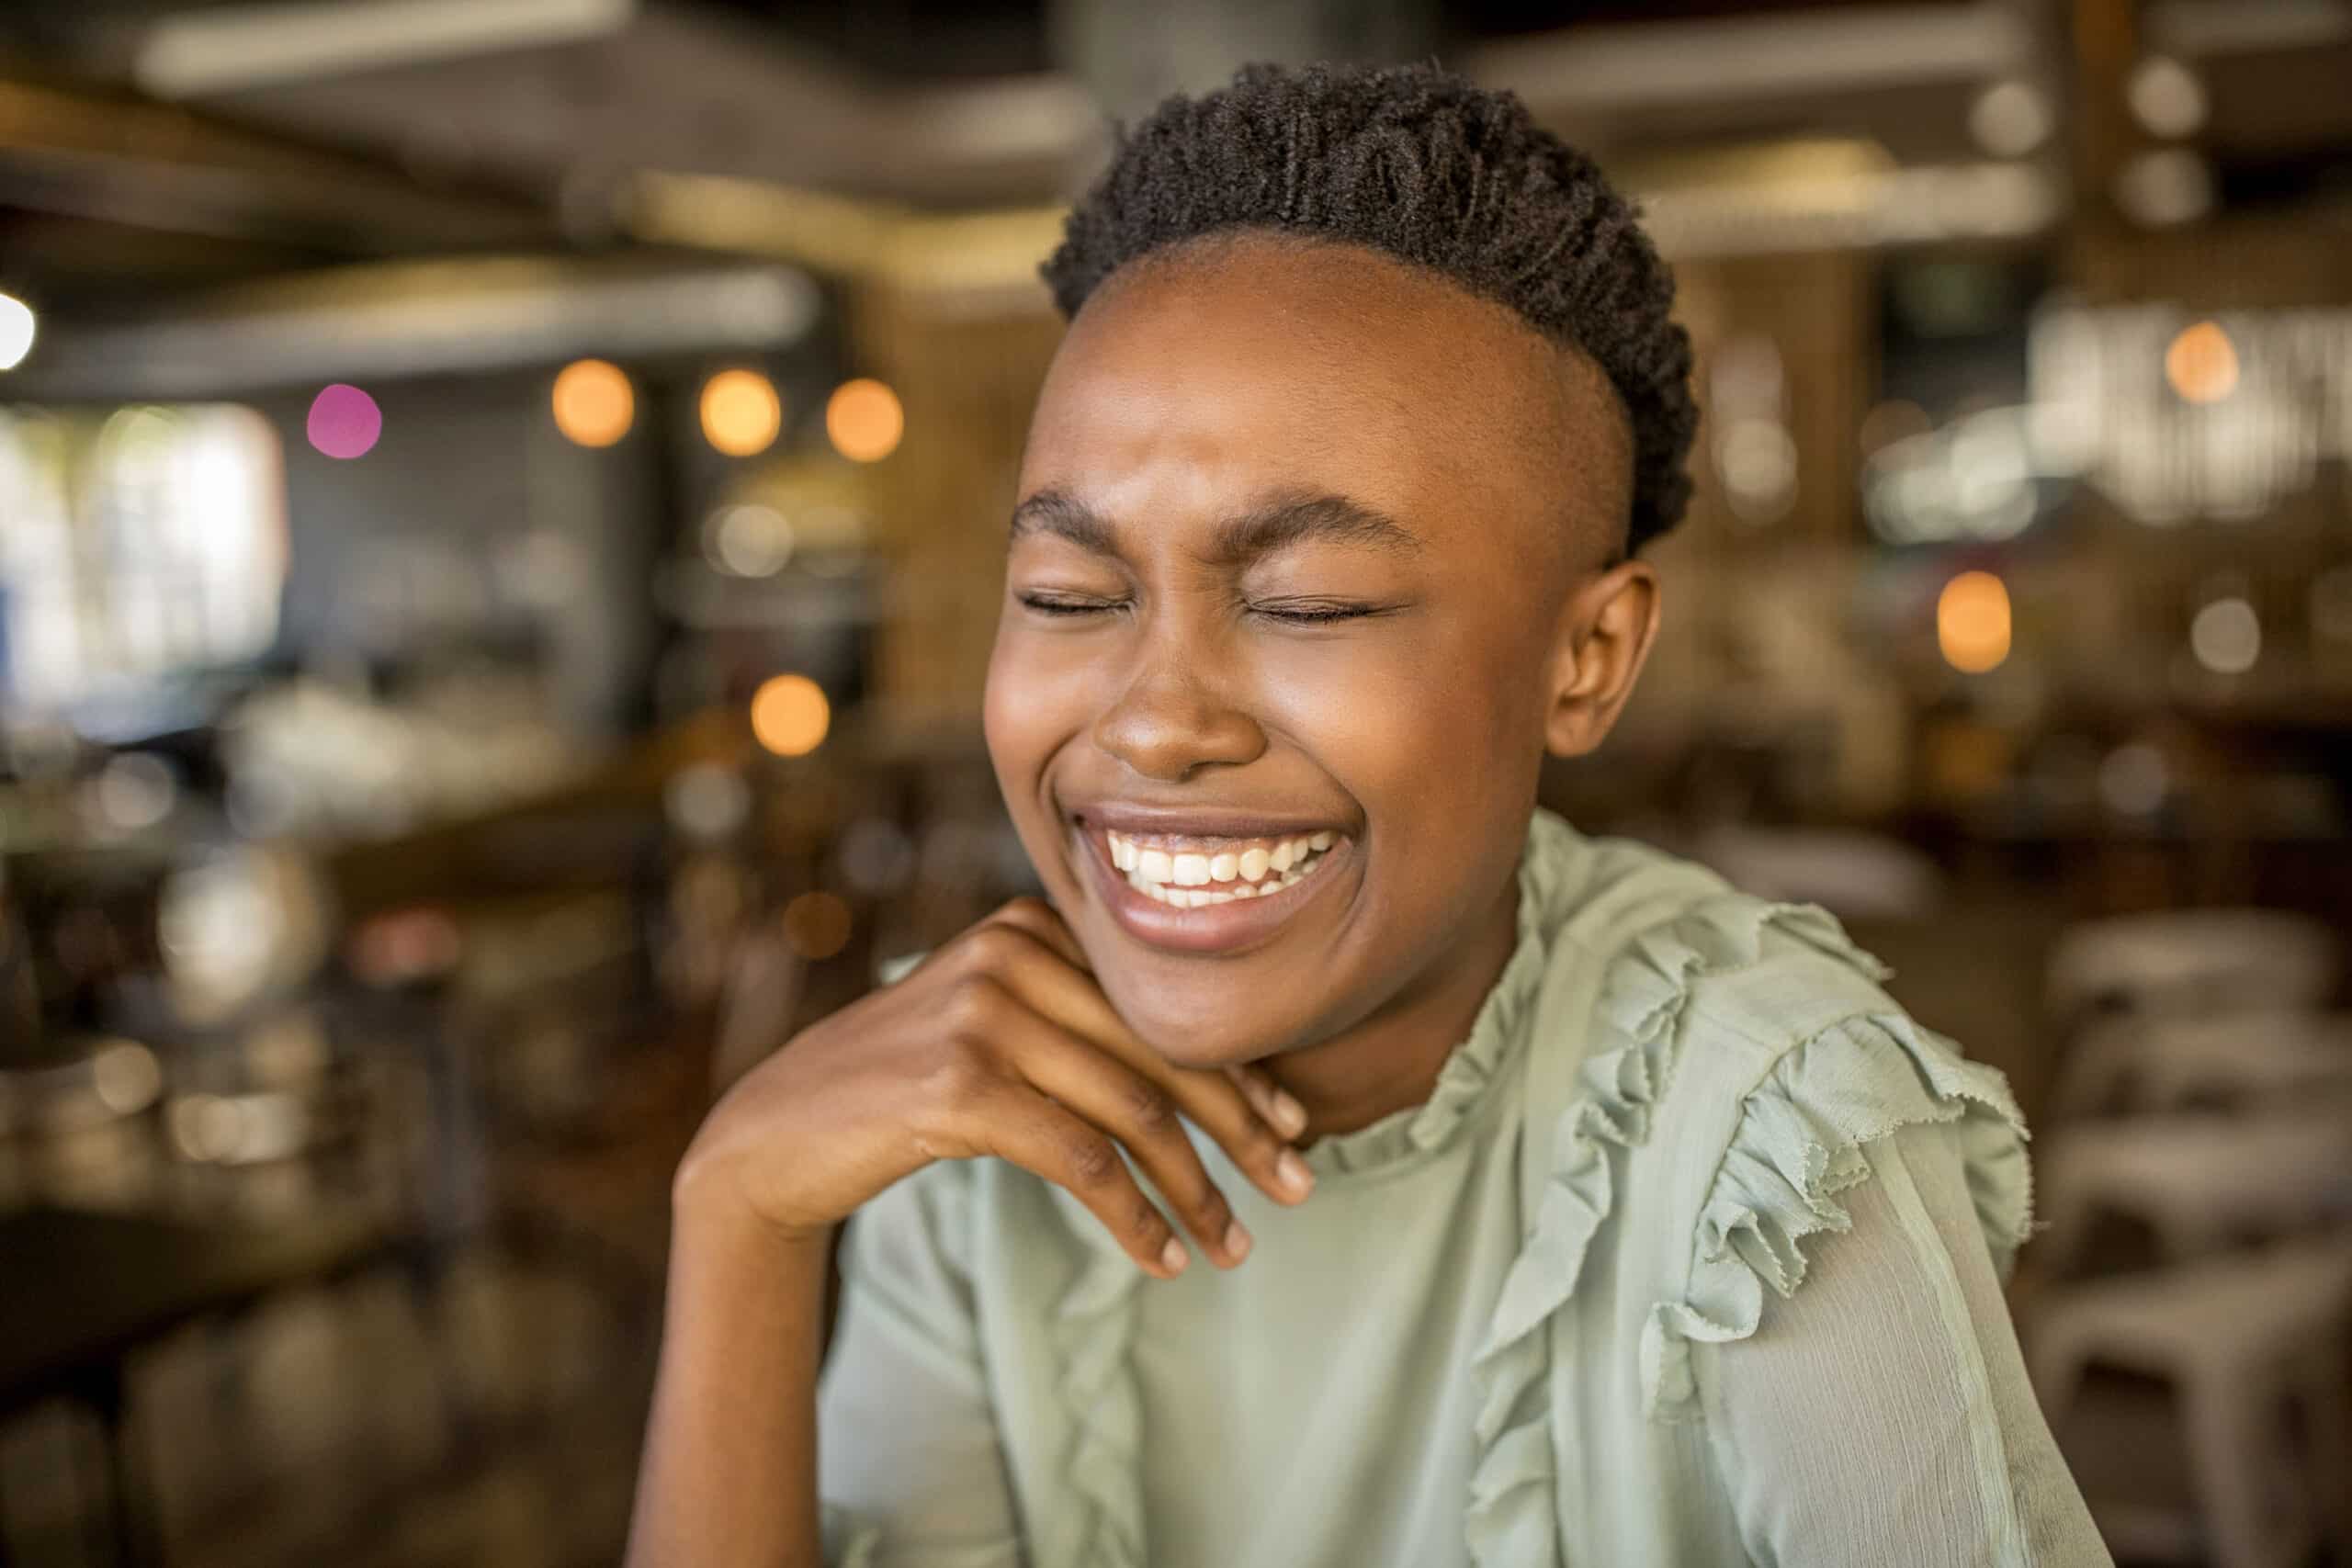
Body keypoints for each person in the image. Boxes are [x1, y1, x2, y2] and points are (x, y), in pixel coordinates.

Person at [626, 61, 2111, 1568]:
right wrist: (742, 1210)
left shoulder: (1765, 1145)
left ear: (1584, 660)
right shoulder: (963, 1113)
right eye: (1070, 594)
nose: (1152, 718)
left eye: (1306, 601)